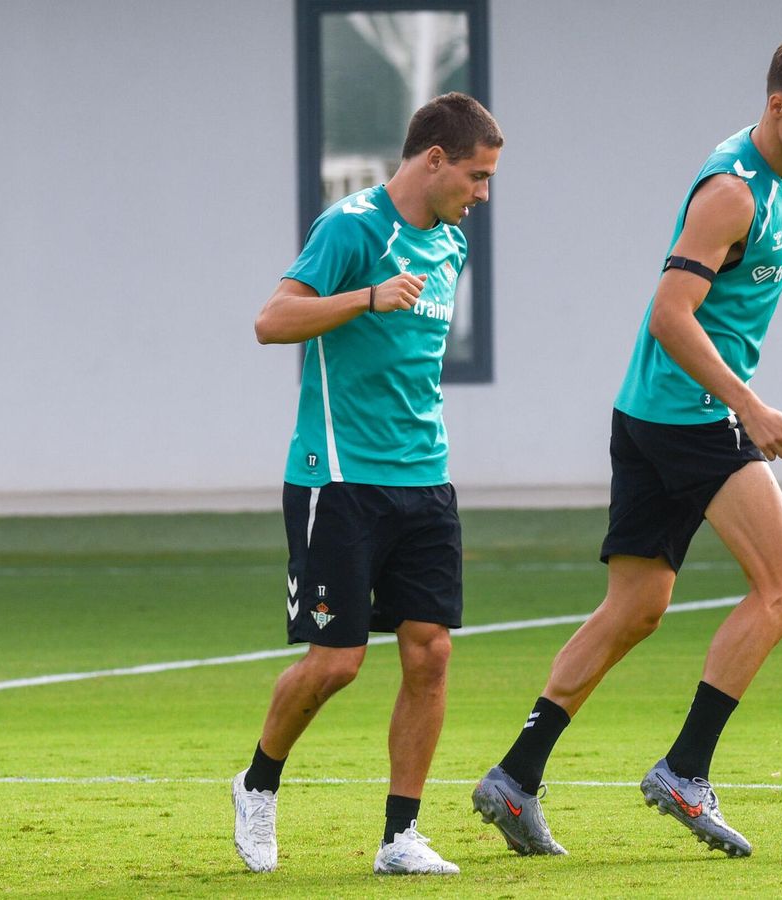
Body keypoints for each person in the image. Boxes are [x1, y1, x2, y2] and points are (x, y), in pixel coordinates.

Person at [470, 34, 782, 859]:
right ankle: (685, 770)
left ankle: (514, 777)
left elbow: (775, 253)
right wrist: (748, 405)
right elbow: (670, 314)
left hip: (650, 414)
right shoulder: (729, 189)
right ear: (777, 106)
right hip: (691, 416)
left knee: (634, 609)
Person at [230, 92, 503, 876]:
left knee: (430, 654)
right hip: (339, 478)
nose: (482, 194)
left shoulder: (450, 241)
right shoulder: (352, 227)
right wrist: (368, 297)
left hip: (427, 479)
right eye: (477, 176)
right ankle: (257, 784)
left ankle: (399, 837)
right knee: (337, 661)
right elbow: (272, 321)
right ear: (434, 160)